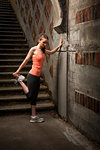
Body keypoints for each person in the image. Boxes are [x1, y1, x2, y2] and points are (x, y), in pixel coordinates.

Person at [13, 33, 63, 123]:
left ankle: (33, 116)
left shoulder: (43, 50)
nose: (45, 44)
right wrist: (17, 71)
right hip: (32, 75)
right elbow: (25, 61)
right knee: (30, 96)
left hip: (37, 77)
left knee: (34, 97)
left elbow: (51, 52)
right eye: (44, 42)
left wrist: (59, 45)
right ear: (39, 40)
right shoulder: (33, 49)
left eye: (46, 43)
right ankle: (20, 80)